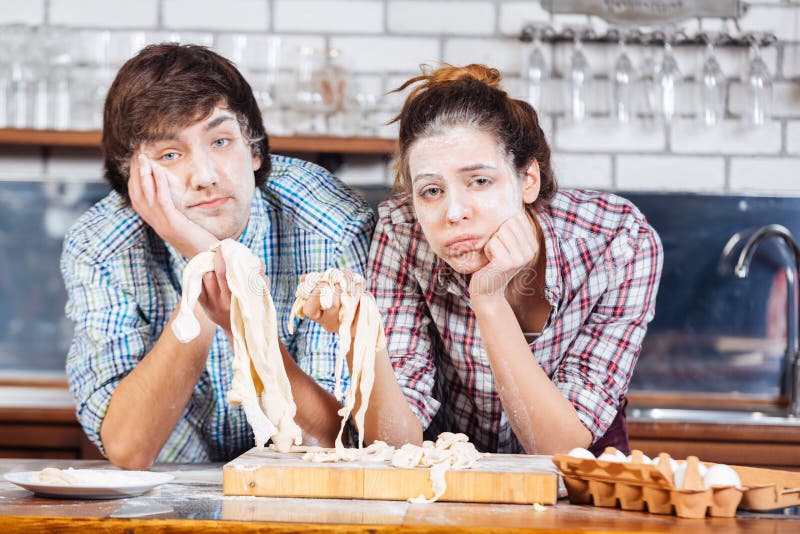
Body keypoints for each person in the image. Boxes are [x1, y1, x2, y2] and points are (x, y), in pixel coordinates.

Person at [303, 64, 663, 456]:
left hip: (581, 485)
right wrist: (360, 333)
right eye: (431, 191)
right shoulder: (403, 234)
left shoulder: (618, 241)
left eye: (479, 181)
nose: (454, 212)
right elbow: (393, 442)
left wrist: (489, 301)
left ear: (528, 180)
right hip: (450, 483)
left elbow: (559, 450)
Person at [61, 44, 374, 468]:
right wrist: (203, 266)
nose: (205, 177)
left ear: (255, 150)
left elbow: (340, 438)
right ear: (131, 178)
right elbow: (130, 448)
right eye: (170, 155)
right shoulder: (99, 246)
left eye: (221, 141)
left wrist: (246, 321)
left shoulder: (332, 224)